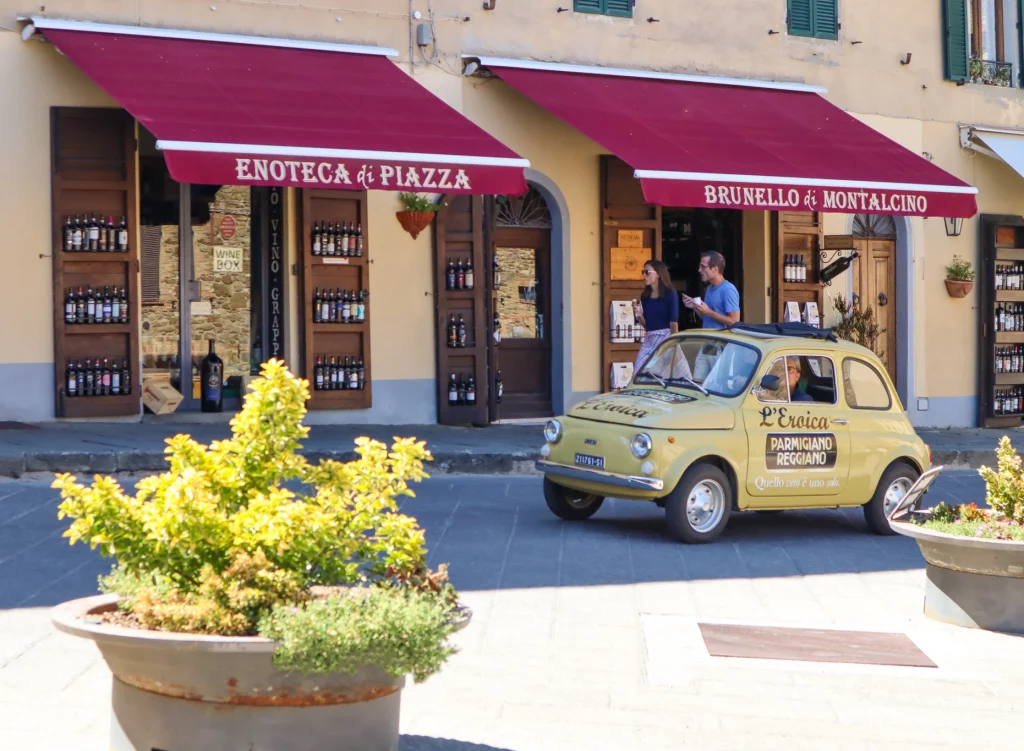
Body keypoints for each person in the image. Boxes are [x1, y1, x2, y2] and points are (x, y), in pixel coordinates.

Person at [632, 260, 682, 375]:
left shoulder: (670, 294)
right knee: (638, 372)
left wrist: (674, 345)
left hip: (665, 338)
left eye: (647, 272)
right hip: (650, 338)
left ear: (658, 274)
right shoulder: (645, 296)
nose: (644, 275)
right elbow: (648, 326)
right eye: (642, 272)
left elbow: (674, 323)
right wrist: (640, 317)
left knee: (663, 374)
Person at [683, 251, 740, 330]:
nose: (699, 270)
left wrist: (709, 312)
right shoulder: (709, 289)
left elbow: (734, 321)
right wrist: (695, 307)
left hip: (722, 341)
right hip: (709, 339)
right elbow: (707, 317)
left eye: (703, 267)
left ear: (715, 269)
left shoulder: (728, 290)